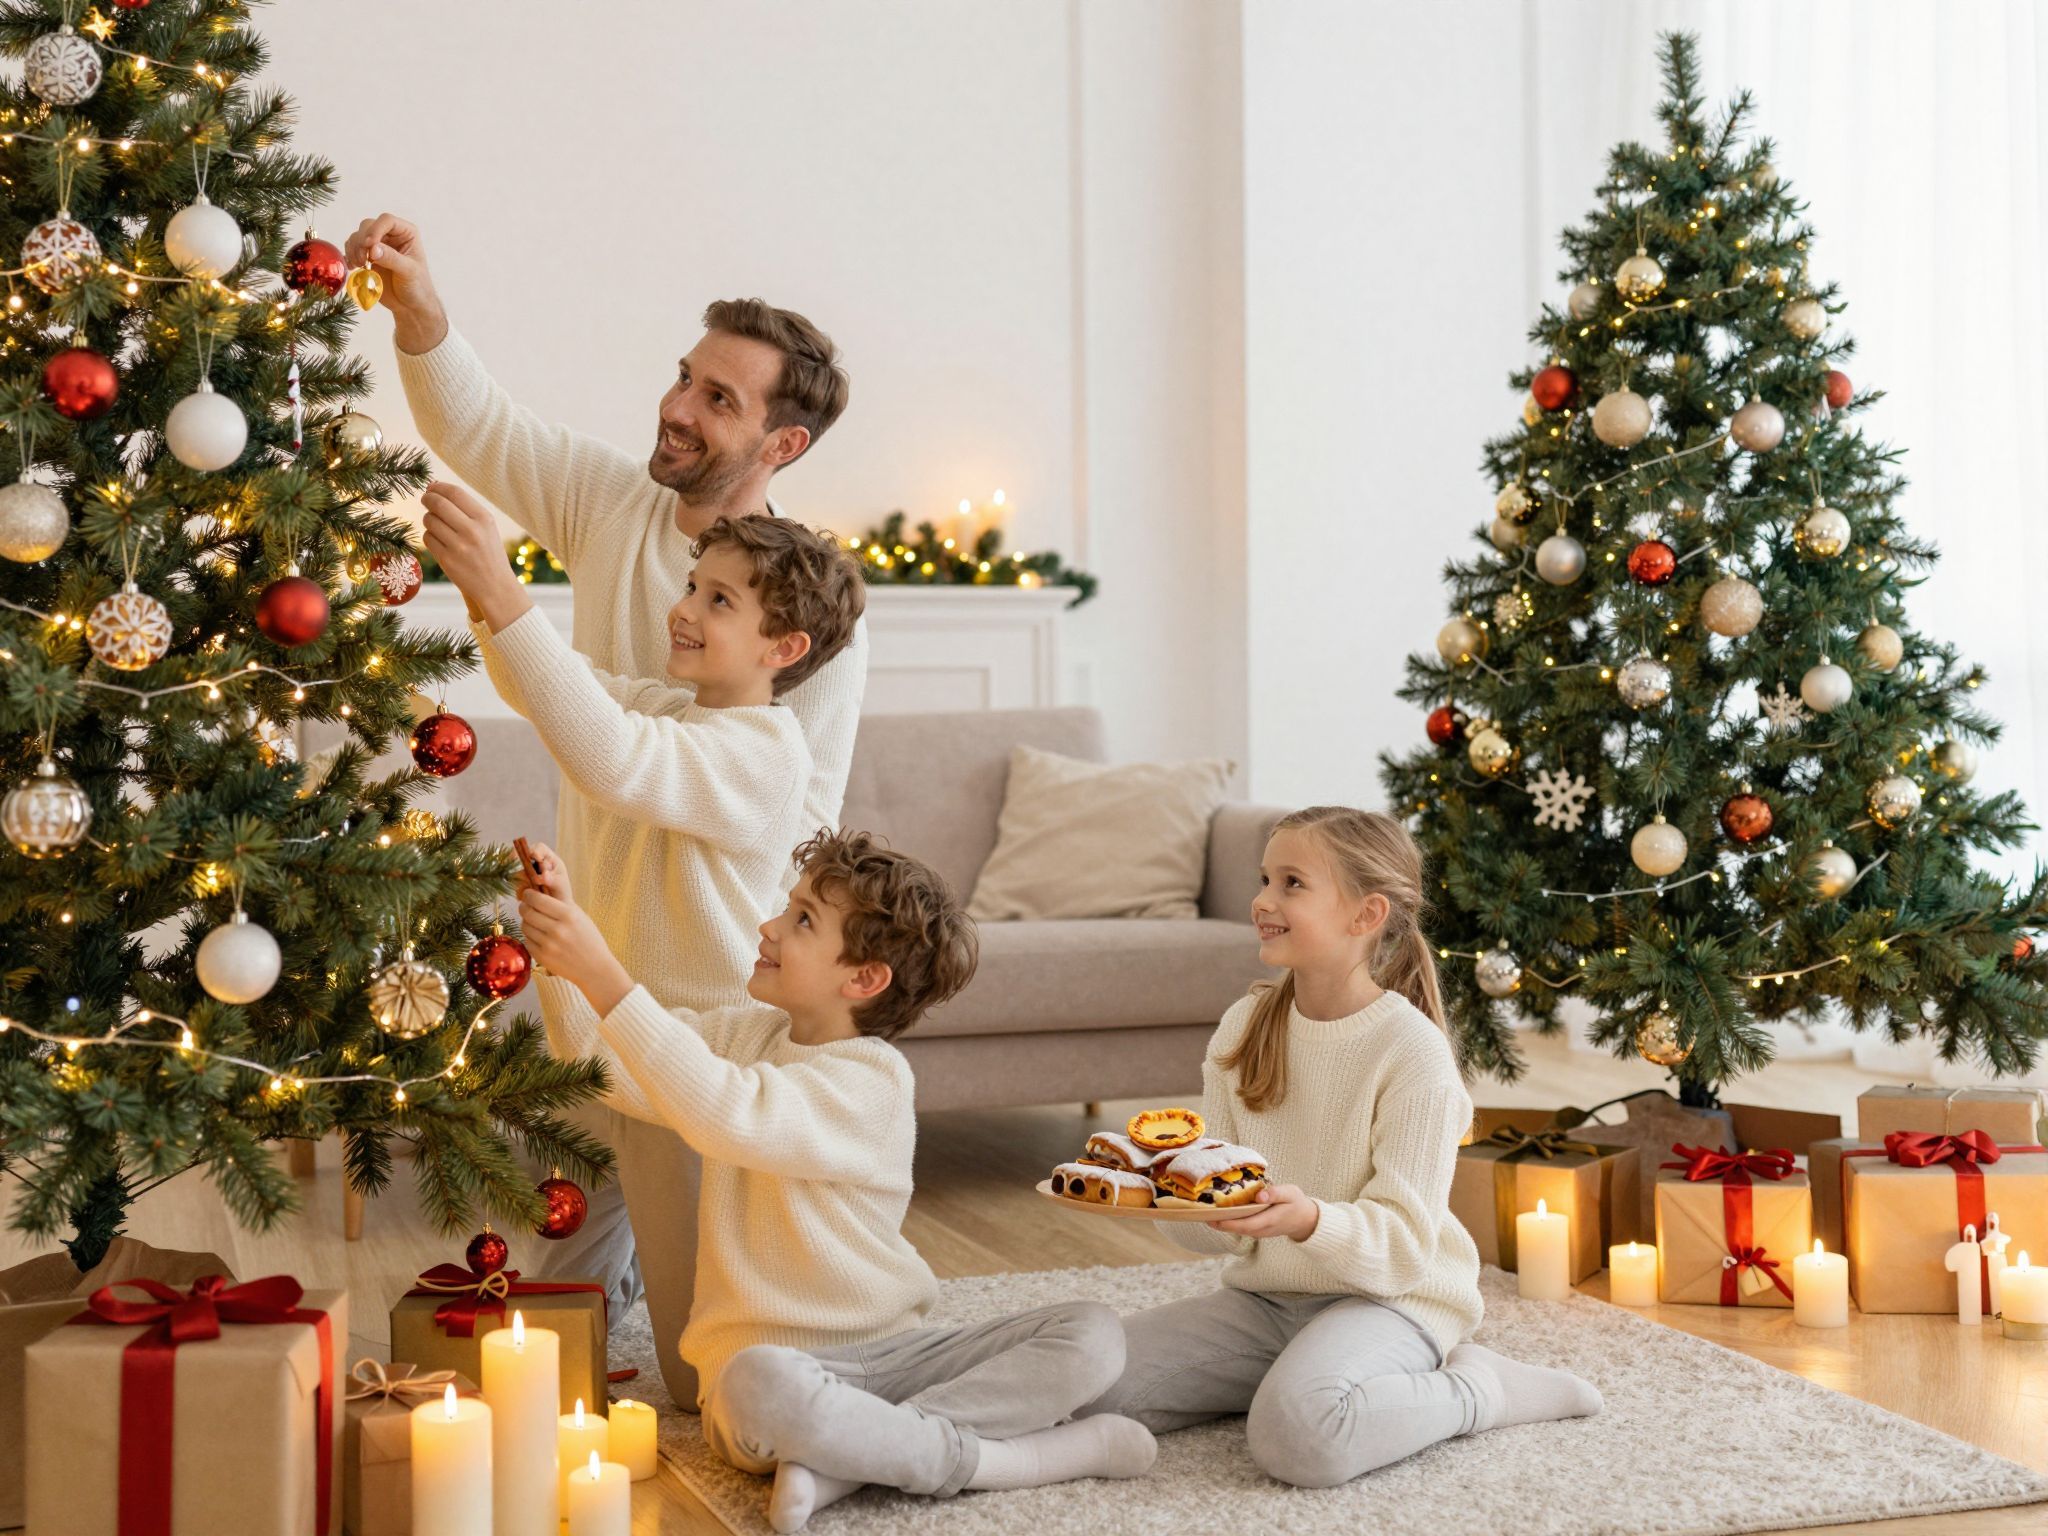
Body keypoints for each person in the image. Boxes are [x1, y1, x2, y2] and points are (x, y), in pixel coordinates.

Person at [347, 211, 867, 1383]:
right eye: (685, 378)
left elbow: (781, 809)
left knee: (706, 1357)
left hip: (710, 992)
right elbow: (481, 427)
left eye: (720, 400)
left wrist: (786, 990)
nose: (679, 408)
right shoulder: (612, 505)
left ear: (781, 446)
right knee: (544, 1314)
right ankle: (619, 1279)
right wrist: (420, 307)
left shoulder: (805, 623)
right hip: (595, 966)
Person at [517, 832, 1157, 1533]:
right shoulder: (747, 1035)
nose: (768, 927)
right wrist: (561, 962)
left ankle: (845, 1457)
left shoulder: (872, 1082)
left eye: (801, 921)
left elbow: (727, 1112)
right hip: (762, 1376)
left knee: (1093, 1332)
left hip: (892, 1355)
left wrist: (606, 973)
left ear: (863, 979)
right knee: (758, 1384)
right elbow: (602, 1062)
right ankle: (1005, 1461)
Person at [1081, 806, 1601, 1487]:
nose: (1263, 901)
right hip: (1268, 1302)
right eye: (1265, 879)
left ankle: (1481, 1389)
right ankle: (1306, 1373)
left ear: (1366, 914)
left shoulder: (1410, 1051)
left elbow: (1406, 1247)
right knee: (1087, 1386)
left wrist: (1309, 1220)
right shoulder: (1243, 1027)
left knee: (1300, 1438)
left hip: (1391, 1301)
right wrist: (1186, 1207)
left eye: (1292, 883)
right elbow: (1221, 1225)